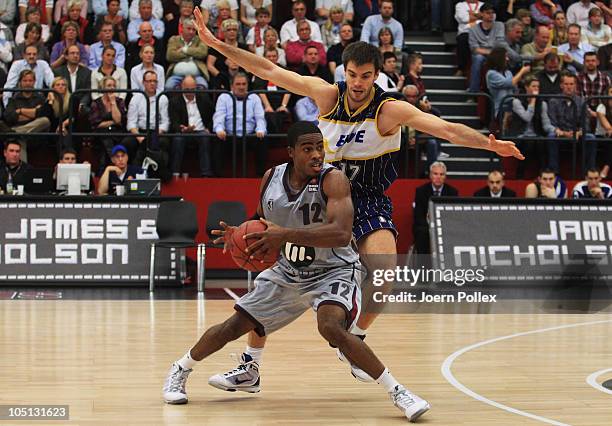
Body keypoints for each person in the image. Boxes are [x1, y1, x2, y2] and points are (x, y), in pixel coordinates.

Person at [193, 7, 524, 386]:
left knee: (384, 273)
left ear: (376, 75)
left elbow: (445, 128)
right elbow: (268, 70)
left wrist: (488, 144)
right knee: (274, 273)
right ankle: (251, 365)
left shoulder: (389, 109)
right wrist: (219, 45)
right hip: (318, 196)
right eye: (352, 75)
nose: (358, 83)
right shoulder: (326, 95)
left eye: (366, 76)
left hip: (366, 197)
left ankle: (358, 336)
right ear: (344, 72)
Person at [162, 121, 431, 422]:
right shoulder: (270, 179)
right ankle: (181, 369)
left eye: (320, 147)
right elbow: (265, 221)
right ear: (291, 153)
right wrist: (242, 233)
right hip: (289, 271)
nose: (317, 154)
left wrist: (284, 235)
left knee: (330, 327)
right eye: (308, 149)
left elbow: (342, 234)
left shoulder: (334, 180)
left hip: (334, 269)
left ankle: (398, 392)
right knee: (233, 326)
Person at [212, 72, 267, 176]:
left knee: (262, 139)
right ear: (232, 85)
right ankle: (217, 176)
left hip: (249, 135)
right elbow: (219, 115)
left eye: (244, 84)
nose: (241, 87)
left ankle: (260, 175)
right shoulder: (224, 97)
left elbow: (260, 117)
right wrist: (219, 129)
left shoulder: (254, 97)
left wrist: (260, 130)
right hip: (229, 136)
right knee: (216, 139)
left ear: (247, 85)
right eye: (238, 84)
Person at [168, 75, 214, 177]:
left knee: (205, 137)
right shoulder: (174, 101)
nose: (190, 92)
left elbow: (213, 116)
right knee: (177, 139)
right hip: (183, 132)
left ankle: (206, 174)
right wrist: (182, 128)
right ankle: (174, 173)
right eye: (187, 89)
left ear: (196, 87)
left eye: (192, 89)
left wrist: (208, 128)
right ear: (181, 87)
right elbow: (173, 122)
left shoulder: (204, 99)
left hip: (201, 131)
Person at [2, 69, 51, 162]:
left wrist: (20, 111)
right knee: (20, 139)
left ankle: (15, 133)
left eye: (30, 81)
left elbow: (42, 114)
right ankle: (23, 173)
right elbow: (9, 117)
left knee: (45, 121)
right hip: (22, 134)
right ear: (20, 82)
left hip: (36, 134)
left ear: (34, 82)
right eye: (25, 81)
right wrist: (32, 113)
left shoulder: (40, 97)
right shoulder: (14, 98)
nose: (28, 83)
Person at [124, 70, 169, 165]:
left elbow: (165, 122)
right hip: (140, 131)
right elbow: (131, 123)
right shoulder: (136, 98)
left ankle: (158, 173)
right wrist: (139, 137)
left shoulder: (163, 98)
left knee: (163, 142)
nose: (152, 84)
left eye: (154, 81)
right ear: (143, 83)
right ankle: (132, 171)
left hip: (156, 132)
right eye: (149, 81)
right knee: (127, 142)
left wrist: (156, 134)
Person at [413, 161, 458, 255]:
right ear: (430, 175)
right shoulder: (421, 191)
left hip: (445, 226)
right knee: (421, 232)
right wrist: (431, 227)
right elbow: (418, 215)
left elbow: (454, 216)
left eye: (441, 174)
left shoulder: (452, 192)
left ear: (445, 176)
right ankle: (423, 267)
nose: (438, 177)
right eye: (435, 174)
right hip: (426, 226)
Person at [252, 48, 292, 135]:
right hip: (266, 103)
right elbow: (260, 91)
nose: (271, 58)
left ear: (277, 57)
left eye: (274, 56)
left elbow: (288, 89)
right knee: (269, 116)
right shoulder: (259, 71)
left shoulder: (284, 70)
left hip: (281, 102)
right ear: (265, 58)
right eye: (269, 56)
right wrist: (267, 106)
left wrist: (283, 105)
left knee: (282, 114)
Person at [89, 76, 127, 166]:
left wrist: (113, 102)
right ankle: (113, 161)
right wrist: (112, 122)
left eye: (114, 86)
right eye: (109, 85)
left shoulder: (119, 101)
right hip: (100, 134)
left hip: (117, 132)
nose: (112, 88)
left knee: (109, 138)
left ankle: (105, 167)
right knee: (106, 137)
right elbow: (96, 124)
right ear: (103, 88)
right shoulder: (96, 103)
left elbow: (118, 120)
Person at [468, 3, 506, 93]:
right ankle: (473, 91)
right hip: (482, 55)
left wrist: (490, 52)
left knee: (502, 55)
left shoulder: (499, 25)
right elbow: (474, 49)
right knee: (478, 58)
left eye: (492, 13)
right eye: (488, 13)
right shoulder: (473, 29)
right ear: (481, 14)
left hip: (497, 53)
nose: (491, 15)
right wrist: (490, 52)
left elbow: (499, 44)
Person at [485, 46, 531, 119]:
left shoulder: (508, 72)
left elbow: (514, 88)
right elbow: (509, 83)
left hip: (513, 104)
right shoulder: (491, 74)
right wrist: (522, 71)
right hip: (502, 107)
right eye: (505, 56)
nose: (507, 59)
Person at [166, 17, 209, 89]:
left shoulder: (200, 39)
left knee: (203, 86)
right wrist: (193, 52)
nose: (191, 32)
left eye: (193, 30)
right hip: (177, 75)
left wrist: (184, 50)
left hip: (197, 76)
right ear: (182, 28)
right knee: (169, 86)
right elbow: (170, 55)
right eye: (189, 29)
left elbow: (203, 53)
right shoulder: (174, 39)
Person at [53, 44, 92, 110]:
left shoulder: (87, 72)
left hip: (80, 106)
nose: (75, 56)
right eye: (72, 53)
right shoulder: (58, 72)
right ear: (66, 56)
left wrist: (82, 103)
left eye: (77, 53)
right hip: (63, 105)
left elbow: (88, 93)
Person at [455, 0, 484, 76]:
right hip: (465, 32)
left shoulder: (483, 5)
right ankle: (461, 68)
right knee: (463, 39)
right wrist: (479, 16)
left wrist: (471, 16)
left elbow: (488, 18)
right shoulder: (460, 5)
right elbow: (463, 19)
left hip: (481, 32)